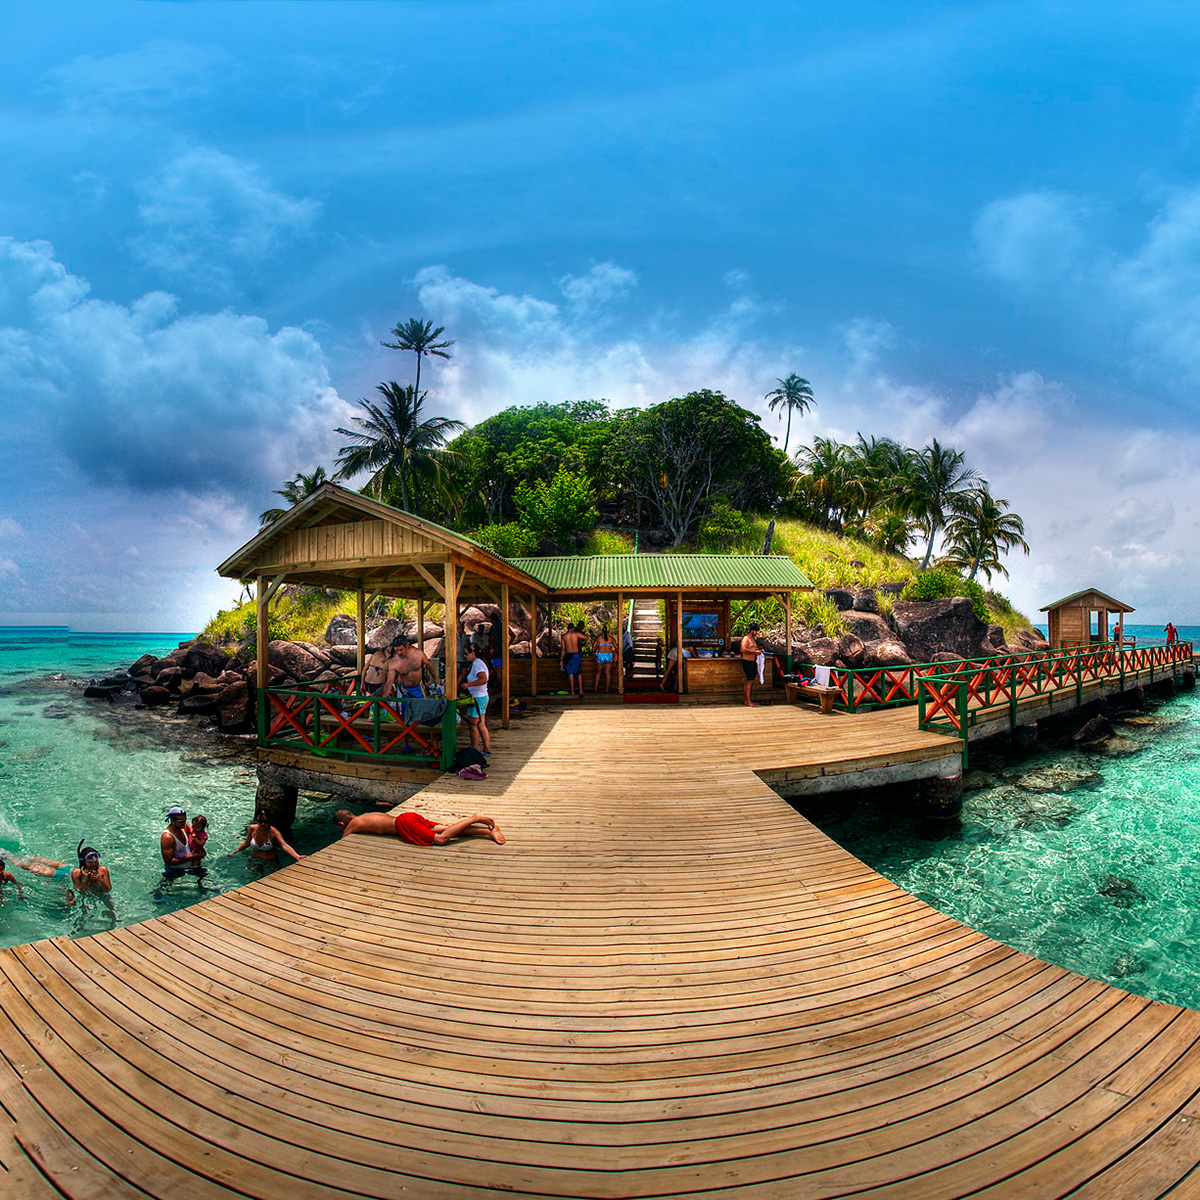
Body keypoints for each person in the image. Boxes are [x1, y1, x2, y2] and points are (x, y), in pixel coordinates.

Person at [333, 808, 505, 846]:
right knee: (445, 829)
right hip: (407, 817)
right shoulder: (364, 816)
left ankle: (475, 818)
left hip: (403, 824)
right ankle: (487, 832)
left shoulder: (353, 824)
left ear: (342, 823)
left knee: (441, 839)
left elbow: (342, 840)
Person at [227, 808, 305, 865]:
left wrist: (297, 856)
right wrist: (235, 851)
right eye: (260, 822)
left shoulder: (274, 832)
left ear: (269, 820)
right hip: (255, 859)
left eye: (265, 821)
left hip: (270, 861)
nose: (263, 824)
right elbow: (247, 843)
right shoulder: (252, 829)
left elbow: (284, 845)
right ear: (256, 820)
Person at [457, 643, 492, 755]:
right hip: (483, 696)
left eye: (466, 654)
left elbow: (483, 679)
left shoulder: (477, 664)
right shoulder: (478, 663)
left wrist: (469, 685)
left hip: (477, 698)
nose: (465, 656)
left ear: (473, 653)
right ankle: (486, 748)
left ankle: (474, 749)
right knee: (481, 724)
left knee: (472, 725)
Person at [161, 806, 204, 872]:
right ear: (172, 821)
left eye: (185, 821)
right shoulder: (167, 838)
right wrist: (191, 857)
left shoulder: (184, 827)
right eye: (181, 822)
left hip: (192, 866)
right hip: (175, 870)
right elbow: (169, 862)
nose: (184, 824)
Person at [740, 622, 762, 707]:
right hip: (747, 661)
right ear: (752, 630)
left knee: (751, 681)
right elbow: (743, 649)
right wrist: (755, 652)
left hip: (752, 661)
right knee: (750, 680)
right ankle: (748, 700)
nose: (756, 633)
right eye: (755, 631)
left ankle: (747, 699)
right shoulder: (746, 638)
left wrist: (759, 651)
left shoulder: (752, 639)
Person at [560, 622, 585, 697]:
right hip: (576, 654)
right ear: (573, 628)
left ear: (567, 628)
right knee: (579, 672)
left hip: (568, 654)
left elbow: (563, 649)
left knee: (570, 673)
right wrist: (581, 642)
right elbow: (586, 637)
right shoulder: (576, 634)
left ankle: (572, 691)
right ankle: (580, 691)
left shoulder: (564, 636)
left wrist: (561, 659)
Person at [594, 625, 616, 693]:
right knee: (607, 673)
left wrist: (598, 649)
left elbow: (594, 647)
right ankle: (607, 689)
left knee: (598, 672)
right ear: (608, 631)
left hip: (600, 655)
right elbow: (616, 647)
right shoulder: (611, 638)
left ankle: (595, 688)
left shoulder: (599, 638)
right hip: (609, 655)